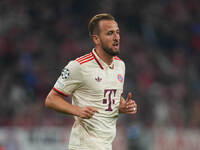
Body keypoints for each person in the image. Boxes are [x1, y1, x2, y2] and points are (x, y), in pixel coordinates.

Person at [45, 13, 137, 150]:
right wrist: (76, 110)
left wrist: (122, 106)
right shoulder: (79, 66)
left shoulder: (120, 65)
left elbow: (106, 100)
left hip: (106, 144)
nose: (116, 37)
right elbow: (51, 99)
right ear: (96, 39)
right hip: (84, 145)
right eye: (110, 33)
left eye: (117, 32)